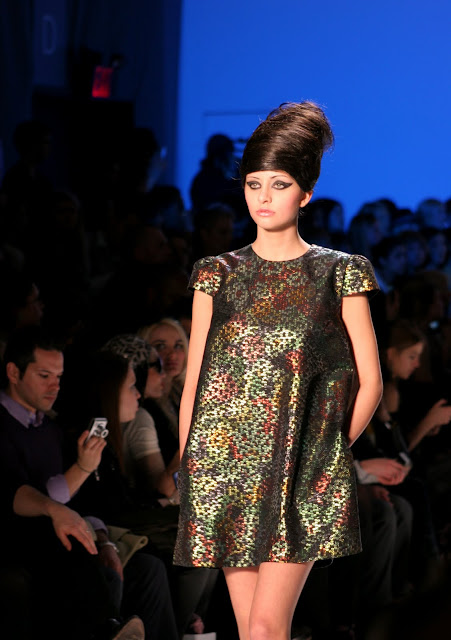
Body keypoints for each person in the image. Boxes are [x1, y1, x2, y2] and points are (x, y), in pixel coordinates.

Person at [173, 101, 383, 640]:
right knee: (252, 630)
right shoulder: (216, 274)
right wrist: (188, 464)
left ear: (305, 193)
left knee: (267, 626)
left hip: (301, 473)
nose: (263, 198)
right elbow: (195, 381)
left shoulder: (339, 273)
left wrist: (329, 453)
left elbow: (370, 381)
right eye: (253, 184)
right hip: (222, 468)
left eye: (279, 184)